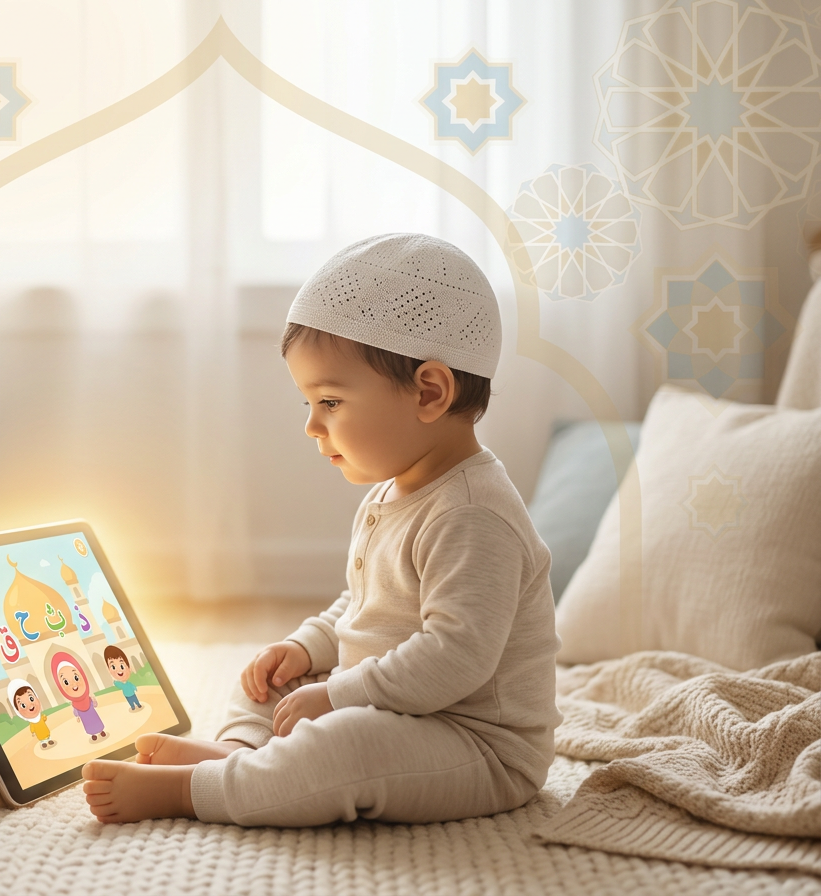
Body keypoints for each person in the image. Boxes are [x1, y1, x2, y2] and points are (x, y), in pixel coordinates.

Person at [81, 233, 562, 826]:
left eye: (330, 401)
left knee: (346, 746)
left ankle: (192, 791)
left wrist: (338, 696)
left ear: (430, 392)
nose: (312, 425)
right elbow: (364, 607)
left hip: (472, 744)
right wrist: (305, 650)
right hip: (397, 707)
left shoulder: (472, 514)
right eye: (308, 403)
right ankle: (236, 754)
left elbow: (455, 658)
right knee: (268, 684)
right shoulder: (396, 490)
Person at [52, 652, 108, 742]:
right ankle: (93, 733)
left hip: (91, 712)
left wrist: (93, 699)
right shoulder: (75, 703)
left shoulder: (88, 697)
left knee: (95, 720)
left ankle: (100, 730)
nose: (74, 684)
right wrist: (77, 716)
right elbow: (76, 711)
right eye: (66, 682)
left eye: (76, 678)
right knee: (88, 724)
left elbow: (95, 704)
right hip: (84, 716)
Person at [8, 680, 55, 750]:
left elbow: (44, 719)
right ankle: (43, 742)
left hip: (46, 731)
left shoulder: (40, 717)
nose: (30, 705)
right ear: (17, 711)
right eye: (23, 705)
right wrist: (33, 732)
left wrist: (44, 717)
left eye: (31, 698)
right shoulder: (32, 722)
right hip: (40, 734)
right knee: (41, 738)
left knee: (47, 735)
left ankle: (49, 740)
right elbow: (32, 728)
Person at [104, 645, 142, 711]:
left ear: (128, 667)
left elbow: (132, 686)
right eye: (113, 667)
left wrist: (134, 688)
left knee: (135, 699)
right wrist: (114, 682)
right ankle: (132, 706)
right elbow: (117, 684)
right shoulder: (121, 684)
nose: (119, 670)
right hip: (127, 695)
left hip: (132, 694)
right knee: (130, 701)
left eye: (122, 666)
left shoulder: (128, 683)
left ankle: (138, 704)